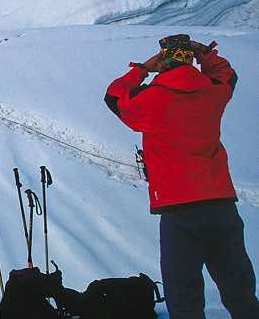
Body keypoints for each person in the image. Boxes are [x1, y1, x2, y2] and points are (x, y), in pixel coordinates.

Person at [104, 34, 259, 319]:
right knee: (239, 289)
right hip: (221, 204)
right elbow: (227, 74)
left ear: (162, 62)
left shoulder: (152, 97)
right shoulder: (212, 92)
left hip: (179, 211)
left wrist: (141, 69)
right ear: (190, 59)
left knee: (183, 295)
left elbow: (114, 95)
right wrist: (204, 53)